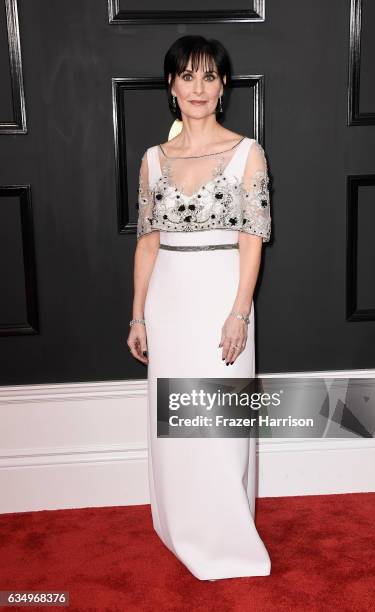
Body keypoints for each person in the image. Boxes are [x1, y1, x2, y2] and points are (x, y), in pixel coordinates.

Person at [127, 35, 272, 581]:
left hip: (221, 296)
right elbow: (146, 241)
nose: (198, 87)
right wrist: (138, 314)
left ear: (224, 86)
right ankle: (182, 525)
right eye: (187, 76)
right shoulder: (151, 160)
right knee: (176, 421)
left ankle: (230, 534)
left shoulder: (246, 152)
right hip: (168, 299)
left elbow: (253, 239)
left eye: (209, 77)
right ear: (171, 86)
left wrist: (240, 312)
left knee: (221, 423)